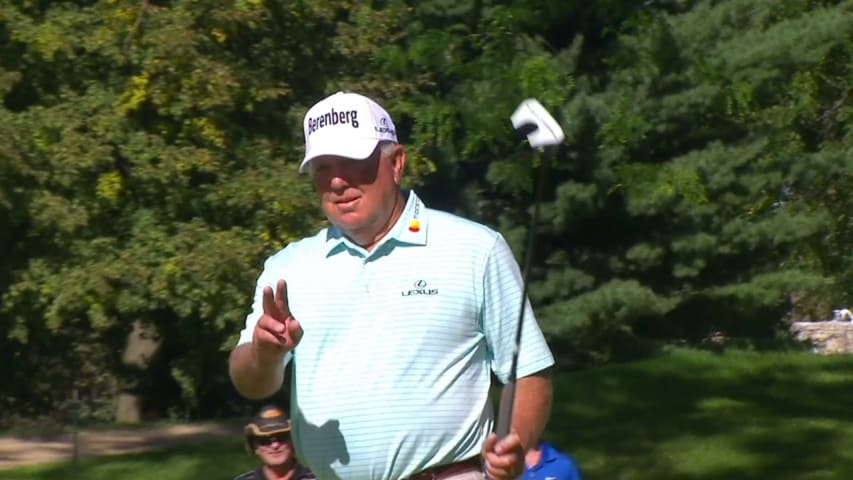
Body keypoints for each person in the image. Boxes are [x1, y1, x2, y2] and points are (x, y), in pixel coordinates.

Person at [229, 91, 555, 480]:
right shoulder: (289, 267)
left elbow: (530, 373)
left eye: (353, 163)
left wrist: (515, 441)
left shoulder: (475, 248)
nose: (336, 181)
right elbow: (251, 382)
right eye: (322, 167)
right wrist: (265, 355)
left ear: (396, 163)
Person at [234, 404, 317, 480]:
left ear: (293, 441)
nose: (275, 445)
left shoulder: (319, 477)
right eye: (265, 440)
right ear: (255, 447)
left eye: (281, 437)